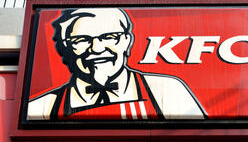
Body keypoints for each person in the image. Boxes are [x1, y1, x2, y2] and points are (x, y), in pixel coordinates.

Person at [27, 8, 207, 121]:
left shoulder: (167, 90)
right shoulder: (40, 107)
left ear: (127, 41)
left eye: (109, 37)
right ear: (66, 46)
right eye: (82, 40)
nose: (97, 48)